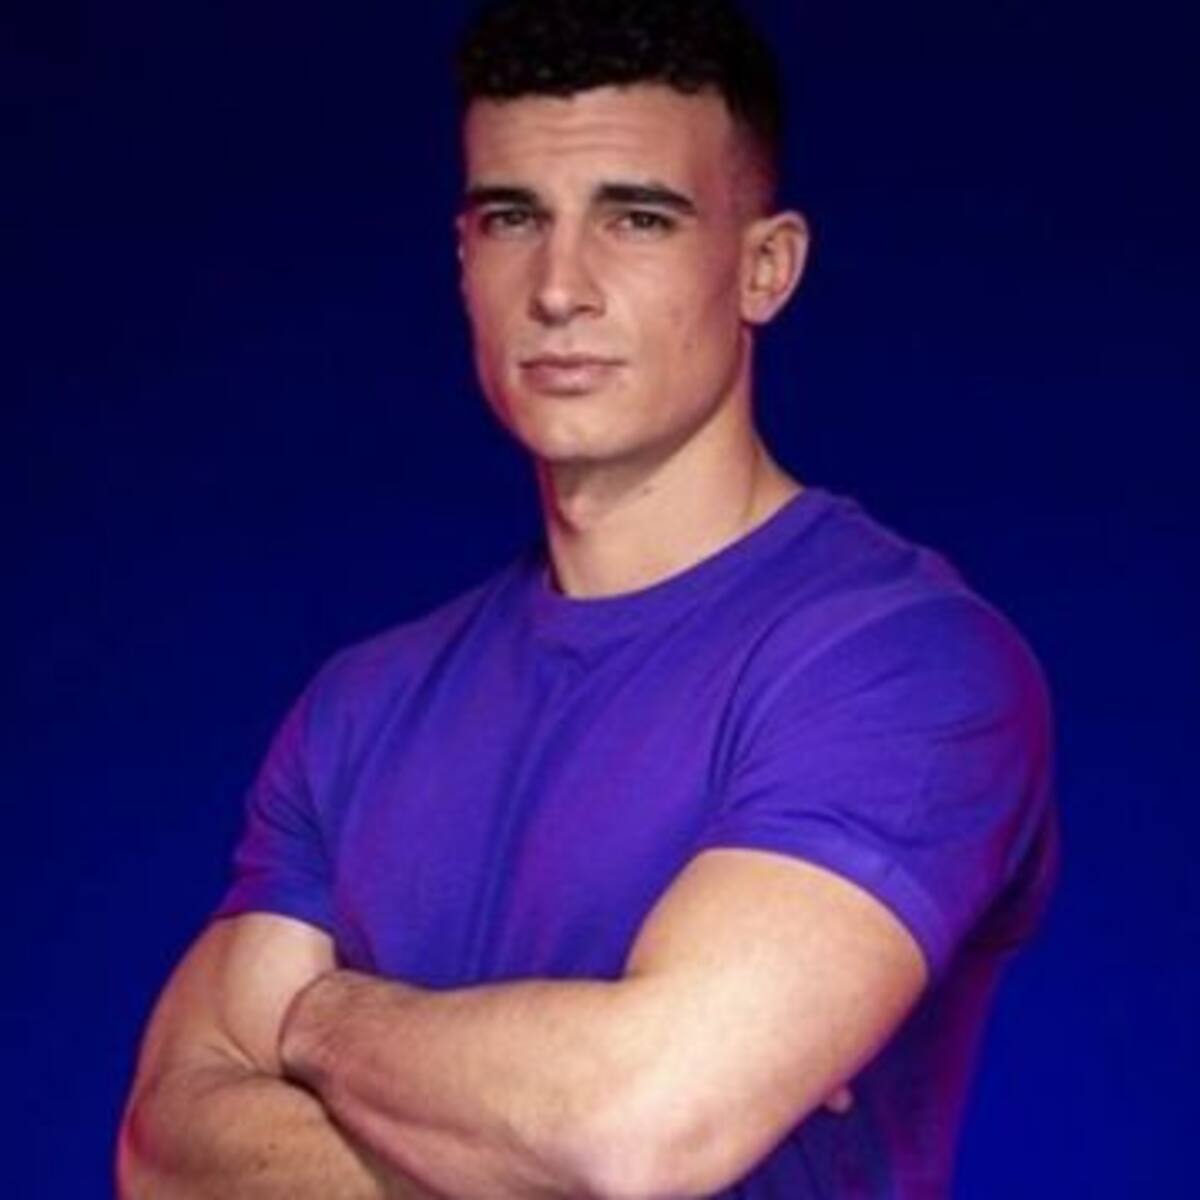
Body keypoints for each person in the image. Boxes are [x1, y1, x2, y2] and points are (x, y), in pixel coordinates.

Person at [116, 0, 1058, 1196]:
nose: (560, 288)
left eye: (638, 218)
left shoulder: (905, 666)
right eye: (513, 218)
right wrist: (542, 1113)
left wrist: (317, 1021)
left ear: (764, 267)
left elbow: (638, 1130)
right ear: (464, 259)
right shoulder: (362, 706)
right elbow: (165, 1150)